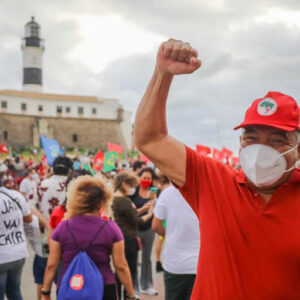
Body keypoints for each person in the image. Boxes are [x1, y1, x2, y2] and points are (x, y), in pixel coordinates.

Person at [134, 38, 300, 299]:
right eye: (251, 137)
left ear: (297, 149)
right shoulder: (213, 180)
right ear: (241, 143)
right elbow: (149, 138)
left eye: (277, 140)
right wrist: (162, 73)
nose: (262, 149)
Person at [41, 175, 138, 300]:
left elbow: (52, 265)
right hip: (103, 286)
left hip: (70, 286)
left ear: (75, 199)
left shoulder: (63, 227)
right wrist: (131, 294)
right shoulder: (111, 228)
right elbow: (121, 266)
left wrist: (45, 292)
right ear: (103, 200)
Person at [29, 156, 73, 300]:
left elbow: (30, 207)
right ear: (70, 170)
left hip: (44, 241)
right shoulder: (72, 186)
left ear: (53, 168)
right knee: (64, 281)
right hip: (68, 240)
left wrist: (47, 224)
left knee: (42, 280)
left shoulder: (40, 185)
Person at [112, 171, 154, 299]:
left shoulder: (115, 198)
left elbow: (128, 215)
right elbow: (136, 221)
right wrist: (150, 214)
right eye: (131, 185)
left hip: (119, 237)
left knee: (119, 269)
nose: (132, 189)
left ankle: (119, 294)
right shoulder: (124, 200)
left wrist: (141, 210)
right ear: (124, 184)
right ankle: (128, 295)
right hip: (128, 239)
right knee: (129, 270)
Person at [152, 185, 200, 300]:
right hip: (199, 265)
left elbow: (155, 225)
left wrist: (168, 235)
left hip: (174, 265)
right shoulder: (205, 191)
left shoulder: (167, 193)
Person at [0, 183, 33, 300]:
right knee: (14, 291)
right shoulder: (16, 196)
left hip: (2, 257)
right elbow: (29, 218)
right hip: (18, 254)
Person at [130, 167, 158, 296]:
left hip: (149, 229)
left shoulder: (155, 193)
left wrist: (155, 202)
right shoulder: (133, 192)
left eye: (149, 178)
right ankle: (134, 287)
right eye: (144, 178)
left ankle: (147, 285)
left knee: (147, 257)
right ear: (140, 178)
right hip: (134, 228)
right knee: (133, 258)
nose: (146, 180)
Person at [154, 174, 170, 272]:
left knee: (159, 239)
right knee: (167, 238)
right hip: (168, 215)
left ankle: (158, 261)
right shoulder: (169, 189)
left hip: (160, 215)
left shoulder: (158, 189)